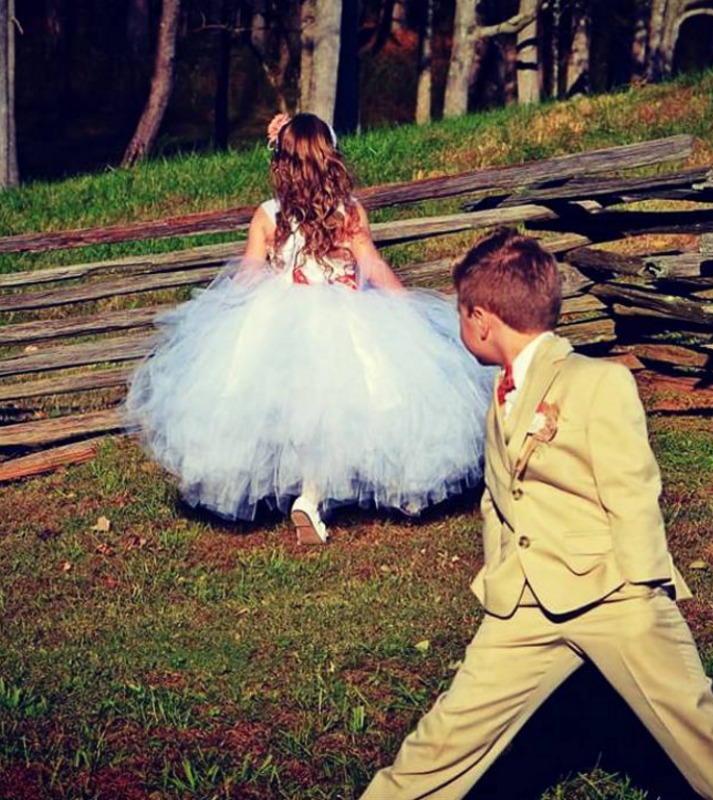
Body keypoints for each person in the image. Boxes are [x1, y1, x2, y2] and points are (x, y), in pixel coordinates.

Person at [361, 228, 713, 800]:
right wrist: (500, 575)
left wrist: (641, 591)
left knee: (702, 730)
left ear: (480, 319)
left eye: (459, 315)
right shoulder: (499, 392)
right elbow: (502, 497)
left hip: (613, 597)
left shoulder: (599, 382)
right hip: (522, 605)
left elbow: (634, 489)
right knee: (445, 736)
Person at [124, 113, 493, 543]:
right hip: (346, 318)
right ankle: (338, 493)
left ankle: (302, 493)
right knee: (369, 401)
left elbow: (248, 273)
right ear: (330, 159)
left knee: (292, 411)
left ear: (281, 164)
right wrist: (404, 303)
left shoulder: (267, 215)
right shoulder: (348, 212)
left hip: (279, 320)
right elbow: (371, 264)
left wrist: (222, 311)